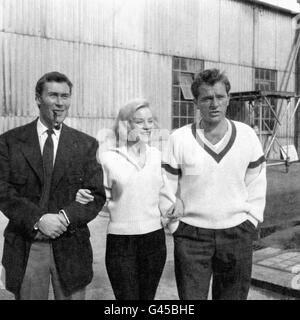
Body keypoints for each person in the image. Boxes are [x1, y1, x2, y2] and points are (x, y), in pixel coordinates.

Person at [160, 68, 267, 300]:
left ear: (228, 98)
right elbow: (165, 184)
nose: (214, 104)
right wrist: (174, 226)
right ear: (196, 102)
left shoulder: (247, 135)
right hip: (192, 236)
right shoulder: (179, 138)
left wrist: (251, 220)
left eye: (220, 96)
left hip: (237, 233)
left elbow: (257, 181)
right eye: (207, 98)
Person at [0, 71, 106, 300]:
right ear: (38, 98)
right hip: (28, 245)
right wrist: (39, 219)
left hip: (71, 246)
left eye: (65, 96)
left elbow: (97, 195)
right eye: (53, 95)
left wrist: (65, 217)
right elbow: (3, 191)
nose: (60, 103)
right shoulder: (10, 142)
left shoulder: (86, 145)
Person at [76, 98, 167, 300]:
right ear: (125, 124)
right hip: (121, 241)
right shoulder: (108, 158)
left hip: (155, 240)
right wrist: (82, 196)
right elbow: (97, 197)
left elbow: (166, 194)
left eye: (150, 121)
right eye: (139, 121)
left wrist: (172, 211)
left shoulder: (157, 156)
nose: (147, 126)